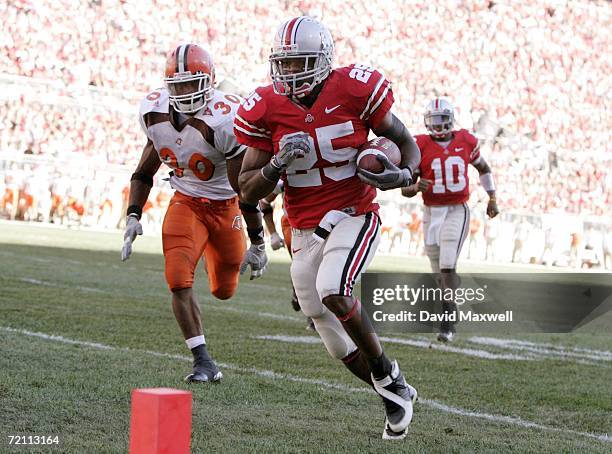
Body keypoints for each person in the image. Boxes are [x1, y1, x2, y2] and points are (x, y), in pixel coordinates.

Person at [235, 16, 421, 440]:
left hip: (354, 211)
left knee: (333, 289)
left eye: (300, 62)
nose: (290, 73)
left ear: (322, 60)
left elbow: (407, 143)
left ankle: (388, 372)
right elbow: (246, 189)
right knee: (332, 335)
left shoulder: (355, 89)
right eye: (284, 63)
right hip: (304, 227)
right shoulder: (265, 106)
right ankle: (391, 391)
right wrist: (276, 164)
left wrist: (403, 175)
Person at [121, 44, 268, 383]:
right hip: (186, 200)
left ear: (211, 82)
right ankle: (202, 360)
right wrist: (133, 215)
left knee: (223, 289)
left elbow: (244, 190)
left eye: (193, 83)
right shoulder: (153, 111)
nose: (186, 92)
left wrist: (258, 241)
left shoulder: (225, 119)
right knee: (177, 277)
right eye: (179, 84)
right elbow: (144, 171)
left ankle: (212, 253)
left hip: (226, 205)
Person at [402, 98, 499, 343]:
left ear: (449, 119)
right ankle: (448, 307)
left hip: (457, 209)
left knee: (447, 263)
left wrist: (492, 198)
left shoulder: (466, 140)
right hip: (430, 211)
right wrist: (414, 186)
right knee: (437, 269)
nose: (436, 125)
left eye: (440, 120)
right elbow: (405, 188)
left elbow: (484, 168)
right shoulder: (419, 144)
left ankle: (447, 320)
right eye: (432, 120)